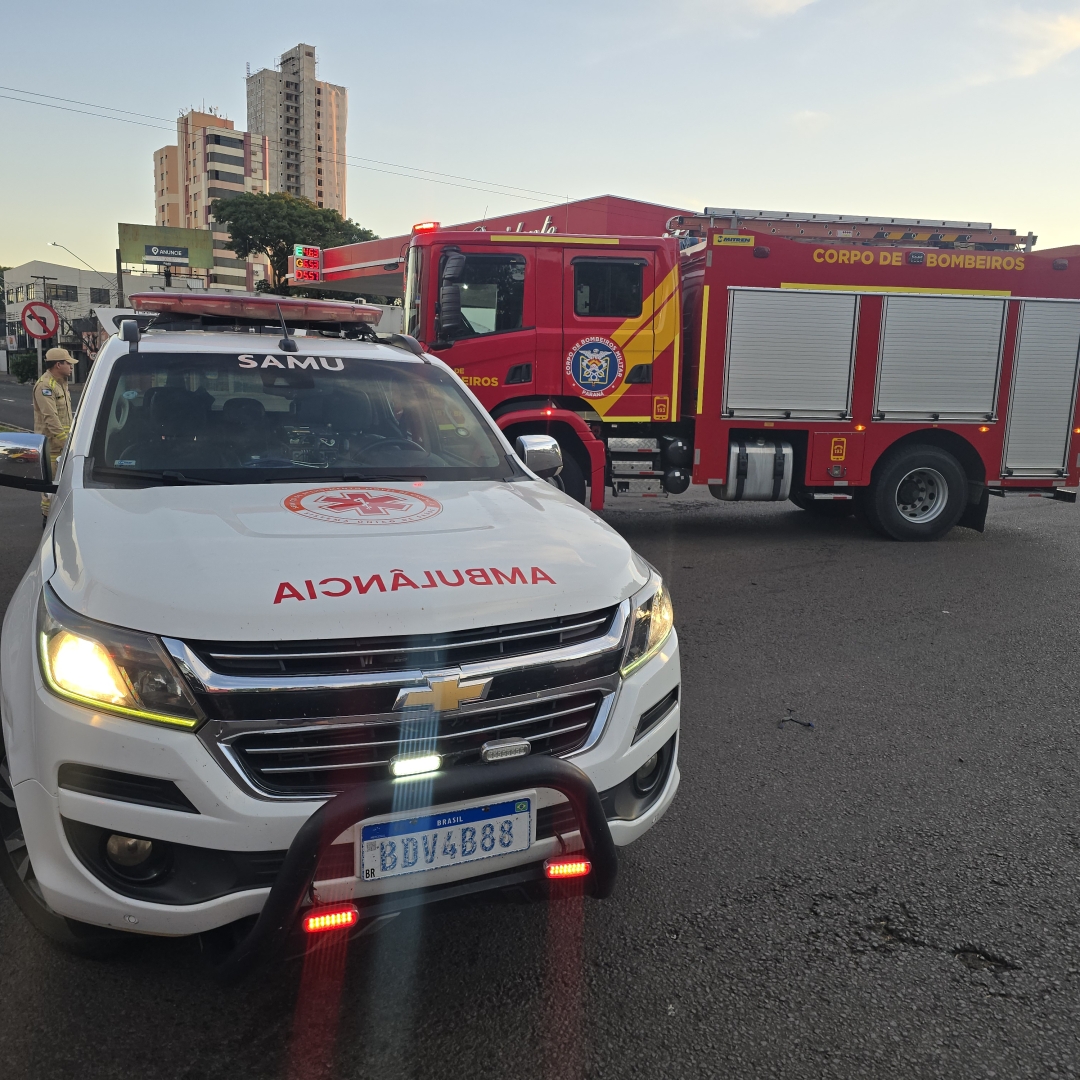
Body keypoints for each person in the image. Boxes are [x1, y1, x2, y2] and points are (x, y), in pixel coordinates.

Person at [33, 347, 77, 521]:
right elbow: (51, 418)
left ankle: (61, 518)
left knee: (64, 485)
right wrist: (67, 442)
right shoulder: (45, 386)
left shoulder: (62, 384)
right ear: (58, 365)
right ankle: (47, 519)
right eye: (69, 363)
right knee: (50, 487)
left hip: (64, 446)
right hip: (51, 446)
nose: (72, 367)